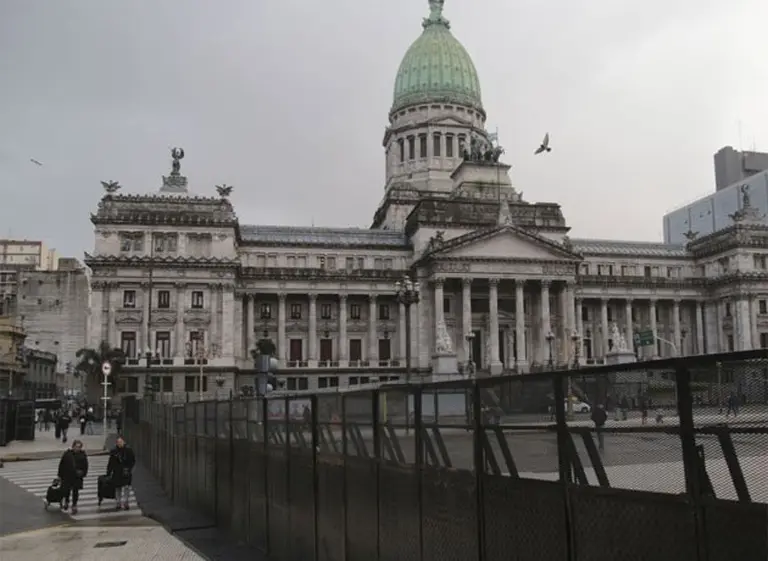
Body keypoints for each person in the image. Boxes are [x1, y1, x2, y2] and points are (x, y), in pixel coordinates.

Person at [57, 439, 89, 514]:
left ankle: (74, 505)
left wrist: (83, 473)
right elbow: (62, 464)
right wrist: (60, 475)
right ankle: (67, 501)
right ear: (73, 446)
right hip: (67, 475)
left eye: (79, 447)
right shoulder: (67, 454)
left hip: (77, 476)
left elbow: (85, 466)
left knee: (75, 491)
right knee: (67, 490)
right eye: (76, 446)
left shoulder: (82, 455)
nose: (77, 448)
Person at [107, 436, 136, 511]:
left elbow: (132, 460)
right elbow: (111, 462)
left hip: (126, 471)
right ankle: (118, 502)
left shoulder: (128, 450)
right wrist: (109, 472)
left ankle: (126, 502)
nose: (119, 443)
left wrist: (129, 469)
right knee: (118, 487)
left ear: (124, 442)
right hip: (117, 471)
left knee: (126, 487)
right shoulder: (114, 451)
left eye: (121, 442)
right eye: (118, 442)